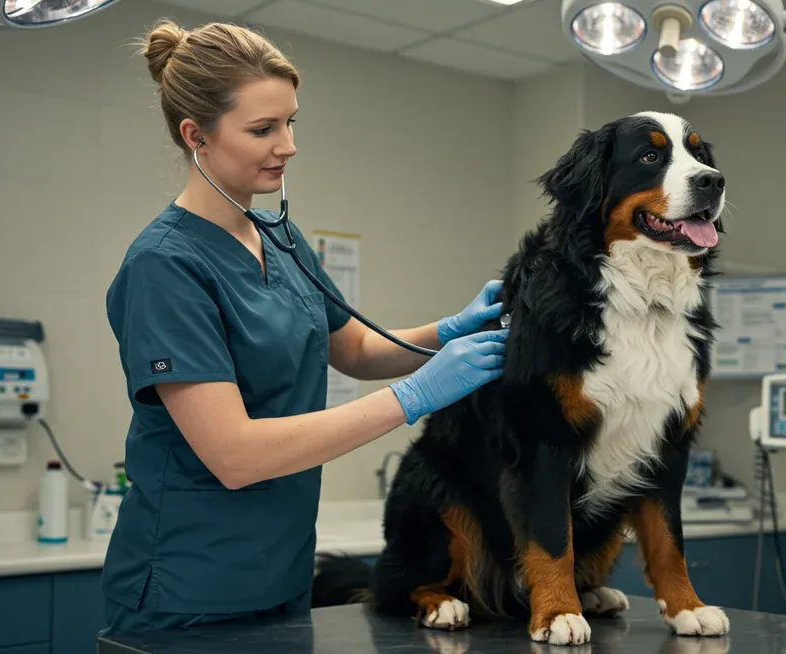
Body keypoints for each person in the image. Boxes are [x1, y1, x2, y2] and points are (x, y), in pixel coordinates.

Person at [100, 18, 509, 635]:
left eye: (291, 122)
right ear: (196, 136)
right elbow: (233, 455)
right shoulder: (165, 266)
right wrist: (415, 397)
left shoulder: (280, 238)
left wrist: (447, 332)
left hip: (283, 576)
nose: (287, 144)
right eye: (263, 128)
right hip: (187, 588)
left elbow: (358, 349)